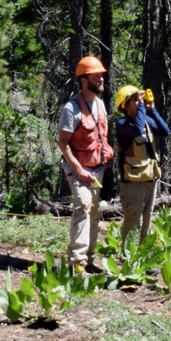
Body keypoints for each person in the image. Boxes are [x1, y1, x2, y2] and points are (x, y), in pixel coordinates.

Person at [57, 55, 114, 272]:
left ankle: (89, 261)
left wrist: (105, 161)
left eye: (101, 75)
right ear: (84, 80)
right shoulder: (71, 109)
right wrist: (79, 170)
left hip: (97, 169)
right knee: (83, 207)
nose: (101, 79)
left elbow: (102, 137)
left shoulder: (100, 104)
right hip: (78, 168)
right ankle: (75, 262)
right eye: (96, 75)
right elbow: (63, 144)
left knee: (94, 213)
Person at [113, 84, 170, 251]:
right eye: (135, 100)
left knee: (146, 219)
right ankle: (128, 259)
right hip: (132, 181)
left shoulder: (144, 118)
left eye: (139, 99)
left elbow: (164, 130)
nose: (139, 102)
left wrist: (152, 110)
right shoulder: (122, 124)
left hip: (150, 176)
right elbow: (137, 131)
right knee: (133, 220)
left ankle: (142, 260)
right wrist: (142, 110)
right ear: (125, 105)